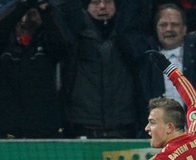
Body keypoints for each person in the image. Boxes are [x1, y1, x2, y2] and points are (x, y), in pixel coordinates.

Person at [118, 0, 196, 138]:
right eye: (163, 25)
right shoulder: (146, 57)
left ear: (185, 28)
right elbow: (127, 29)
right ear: (155, 28)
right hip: (155, 144)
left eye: (175, 24)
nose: (169, 29)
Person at [56, 0, 143, 139]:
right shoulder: (75, 36)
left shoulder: (131, 38)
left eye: (108, 2)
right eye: (95, 2)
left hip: (124, 127)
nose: (102, 7)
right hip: (83, 126)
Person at [0, 0, 71, 139]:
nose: (25, 20)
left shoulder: (47, 43)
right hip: (5, 128)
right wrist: (20, 6)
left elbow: (63, 46)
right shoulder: (2, 43)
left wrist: (45, 10)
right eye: (22, 15)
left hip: (42, 129)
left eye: (32, 15)